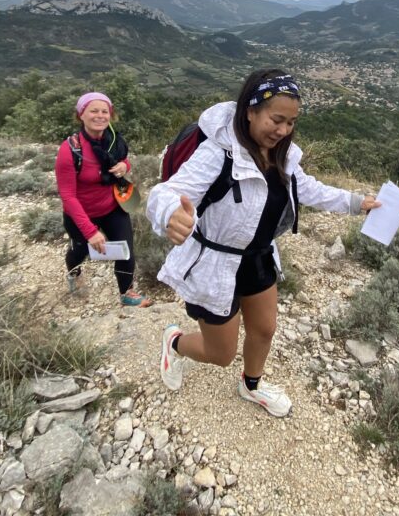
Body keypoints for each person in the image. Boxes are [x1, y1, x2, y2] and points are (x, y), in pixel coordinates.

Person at [146, 69, 380, 416]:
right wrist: (169, 214)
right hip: (215, 263)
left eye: (291, 122)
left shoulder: (283, 155)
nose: (283, 130)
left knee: (265, 329)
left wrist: (356, 202)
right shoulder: (218, 154)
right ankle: (175, 343)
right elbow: (166, 193)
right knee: (220, 354)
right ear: (250, 111)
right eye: (276, 119)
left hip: (258, 257)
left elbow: (308, 188)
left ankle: (251, 384)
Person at [55, 91, 151, 307]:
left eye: (104, 111)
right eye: (93, 111)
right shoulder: (70, 150)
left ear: (110, 115)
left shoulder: (113, 141)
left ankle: (127, 293)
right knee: (79, 250)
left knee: (126, 249)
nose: (100, 116)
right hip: (81, 212)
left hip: (112, 207)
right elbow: (68, 196)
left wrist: (124, 166)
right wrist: (90, 231)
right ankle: (74, 274)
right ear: (81, 115)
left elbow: (123, 159)